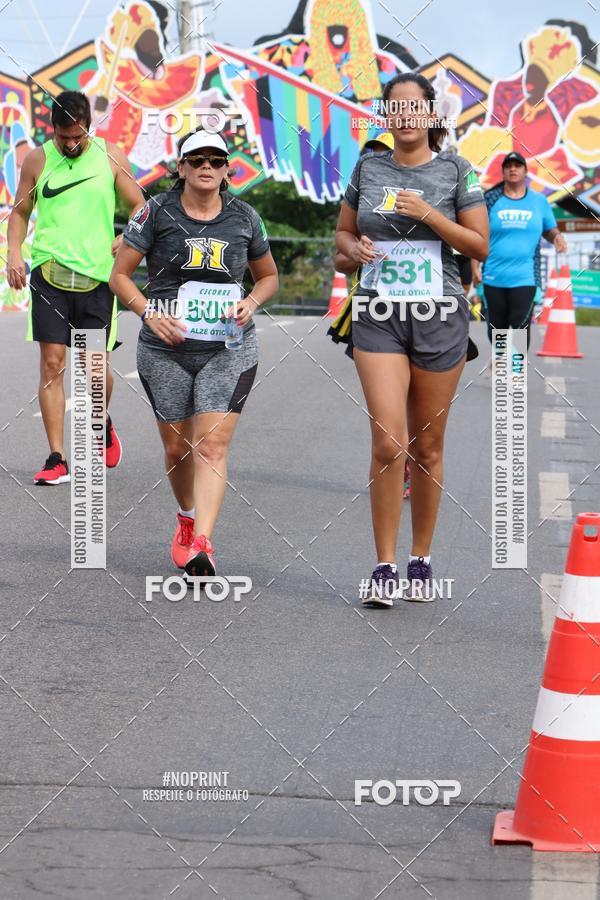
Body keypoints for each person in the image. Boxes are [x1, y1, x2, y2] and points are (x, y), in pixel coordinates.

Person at [335, 72, 489, 608]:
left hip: (440, 313)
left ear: (430, 114)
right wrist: (352, 252)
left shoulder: (456, 170)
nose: (403, 115)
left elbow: (479, 245)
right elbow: (341, 238)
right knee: (388, 443)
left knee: (426, 447)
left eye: (412, 107)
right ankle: (382, 566)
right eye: (393, 107)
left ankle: (419, 559)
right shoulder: (368, 166)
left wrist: (428, 214)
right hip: (378, 313)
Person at [109, 130, 278, 578]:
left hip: (229, 348)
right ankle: (186, 517)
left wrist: (251, 302)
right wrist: (149, 314)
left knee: (212, 444)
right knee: (176, 447)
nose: (207, 166)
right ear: (180, 167)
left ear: (226, 170)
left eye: (216, 160)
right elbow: (119, 276)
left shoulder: (245, 217)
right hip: (165, 349)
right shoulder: (154, 212)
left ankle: (202, 543)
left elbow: (268, 278)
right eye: (197, 159)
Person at [7, 90, 144, 484]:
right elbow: (20, 212)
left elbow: (141, 205)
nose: (70, 144)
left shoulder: (111, 156)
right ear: (53, 129)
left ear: (89, 127)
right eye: (63, 137)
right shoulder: (37, 160)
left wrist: (129, 235)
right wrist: (15, 252)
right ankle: (56, 458)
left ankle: (101, 420)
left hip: (98, 279)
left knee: (93, 371)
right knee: (52, 364)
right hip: (49, 276)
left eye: (77, 137)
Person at [472, 151, 567, 351]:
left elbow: (549, 230)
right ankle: (501, 373)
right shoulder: (490, 199)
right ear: (503, 172)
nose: (512, 169)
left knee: (521, 327)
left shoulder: (539, 201)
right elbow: (478, 234)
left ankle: (515, 376)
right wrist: (474, 266)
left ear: (525, 171)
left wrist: (557, 237)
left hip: (526, 277)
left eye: (517, 165)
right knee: (497, 330)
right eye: (508, 166)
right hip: (493, 275)